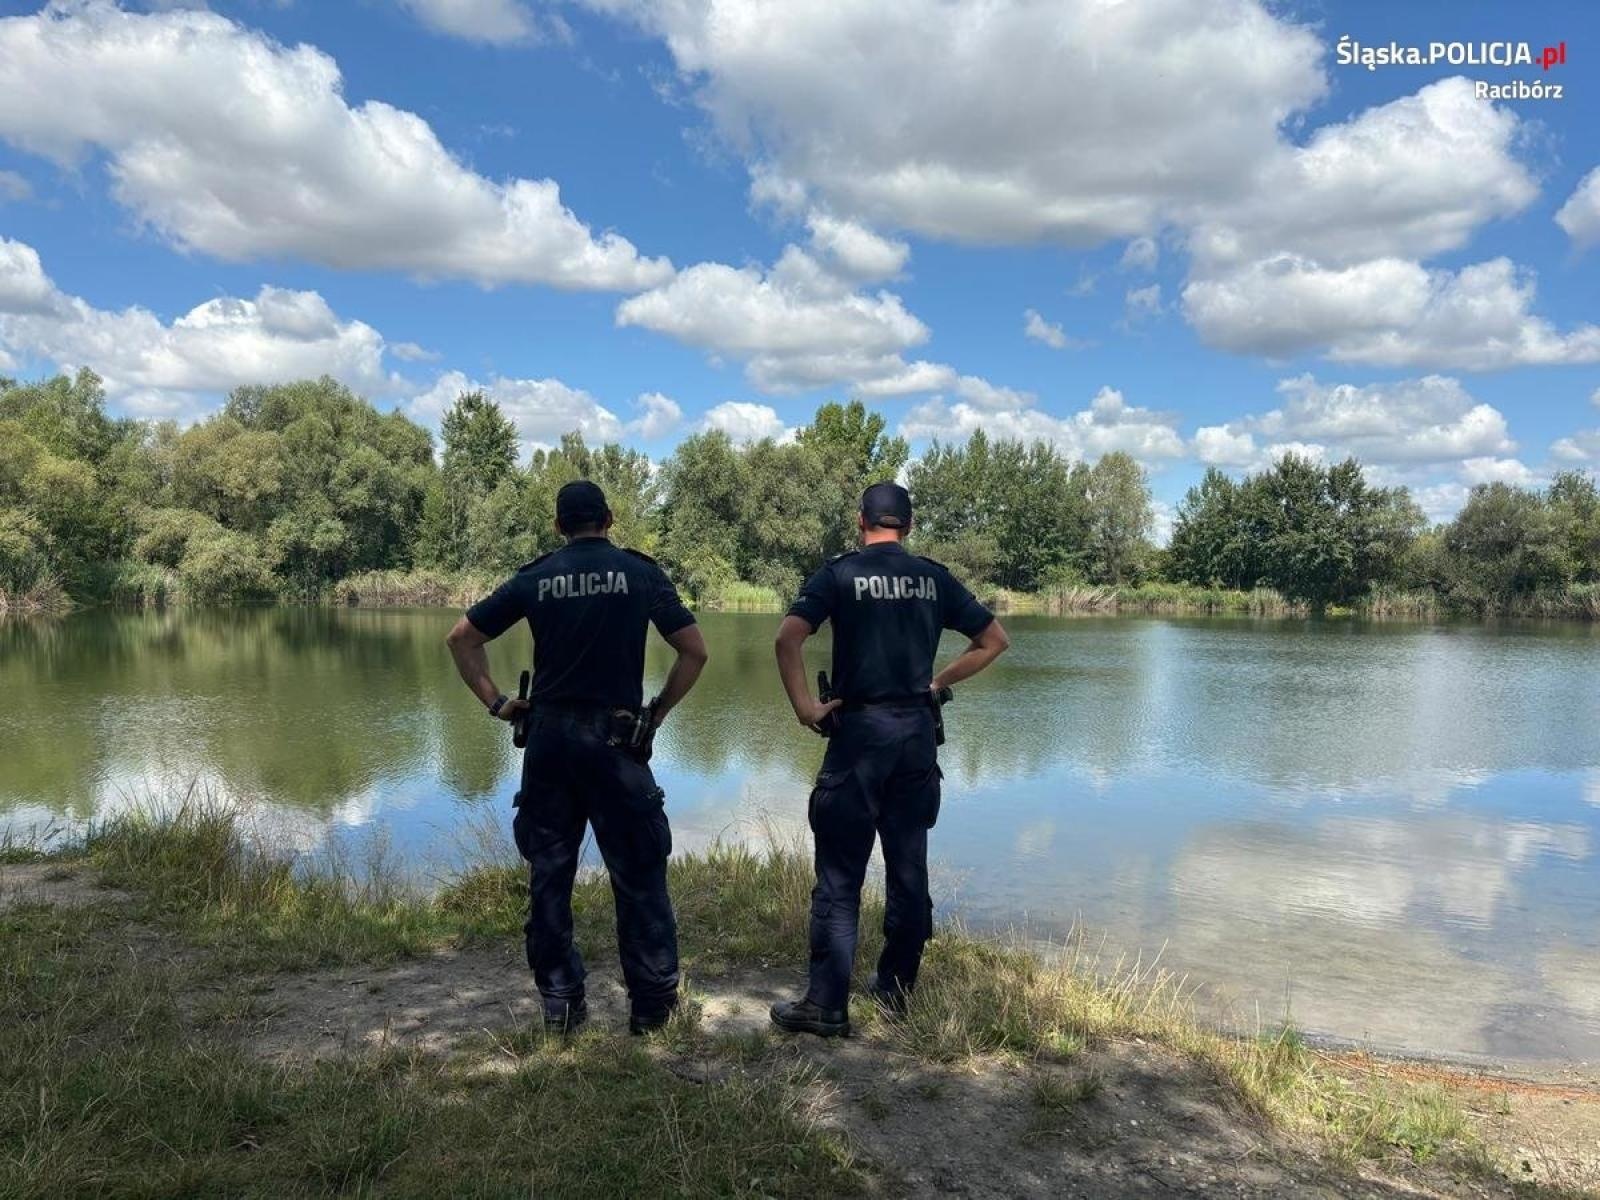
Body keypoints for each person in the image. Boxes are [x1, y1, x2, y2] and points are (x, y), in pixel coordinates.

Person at [445, 480, 708, 1034]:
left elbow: (461, 638)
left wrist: (498, 704)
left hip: (549, 744)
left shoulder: (537, 577)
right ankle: (652, 1007)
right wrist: (655, 714)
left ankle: (562, 1003)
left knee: (550, 872)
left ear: (558, 527)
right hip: (618, 743)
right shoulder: (641, 574)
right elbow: (694, 651)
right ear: (610, 519)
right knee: (638, 873)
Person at [770, 482, 1009, 1037]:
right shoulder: (934, 577)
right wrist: (937, 682)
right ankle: (896, 993)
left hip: (858, 738)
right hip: (915, 738)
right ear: (908, 526)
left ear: (861, 521)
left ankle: (827, 1005)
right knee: (908, 870)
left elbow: (787, 639)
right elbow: (994, 640)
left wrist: (807, 708)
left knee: (838, 875)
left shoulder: (839, 574)